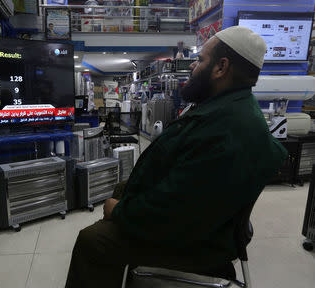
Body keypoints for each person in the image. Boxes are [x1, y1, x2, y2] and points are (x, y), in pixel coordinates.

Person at [65, 26, 288, 288]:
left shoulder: (228, 132)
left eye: (201, 59)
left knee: (92, 240)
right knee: (121, 188)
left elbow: (175, 214)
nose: (193, 65)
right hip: (194, 223)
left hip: (194, 245)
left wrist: (121, 212)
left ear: (221, 67)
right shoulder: (227, 109)